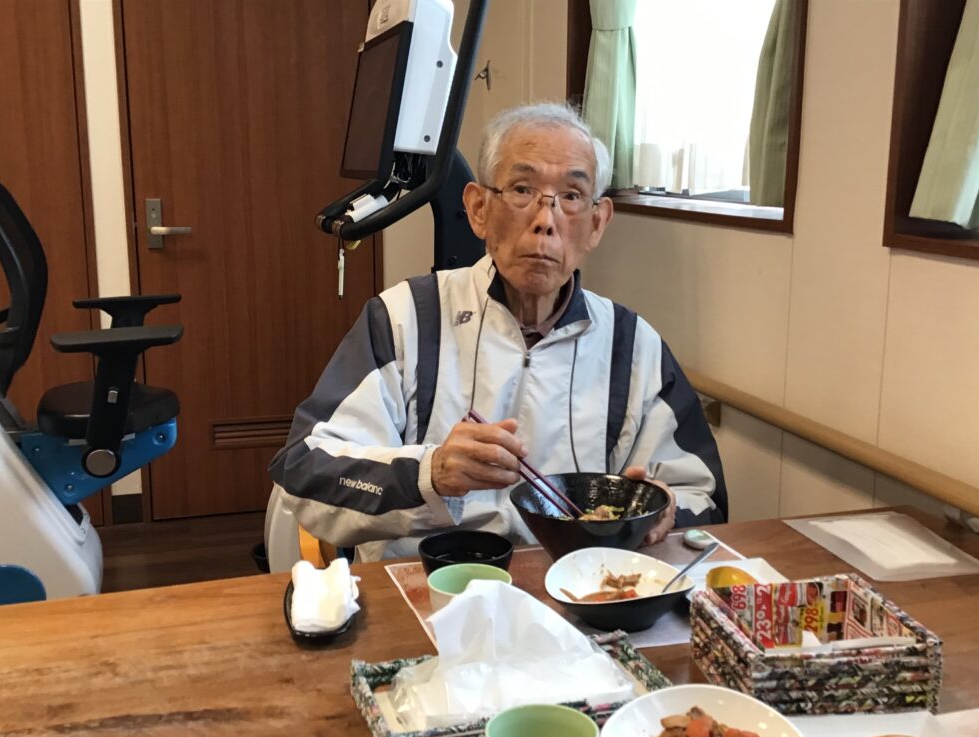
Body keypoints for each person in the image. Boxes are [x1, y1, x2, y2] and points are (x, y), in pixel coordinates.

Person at [268, 102, 727, 562]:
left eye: (571, 195)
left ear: (596, 223)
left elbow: (703, 499)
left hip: (573, 588)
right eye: (523, 189)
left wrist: (665, 510)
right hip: (426, 581)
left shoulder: (634, 346)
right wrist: (431, 472)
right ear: (478, 209)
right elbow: (306, 471)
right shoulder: (404, 317)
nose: (546, 221)